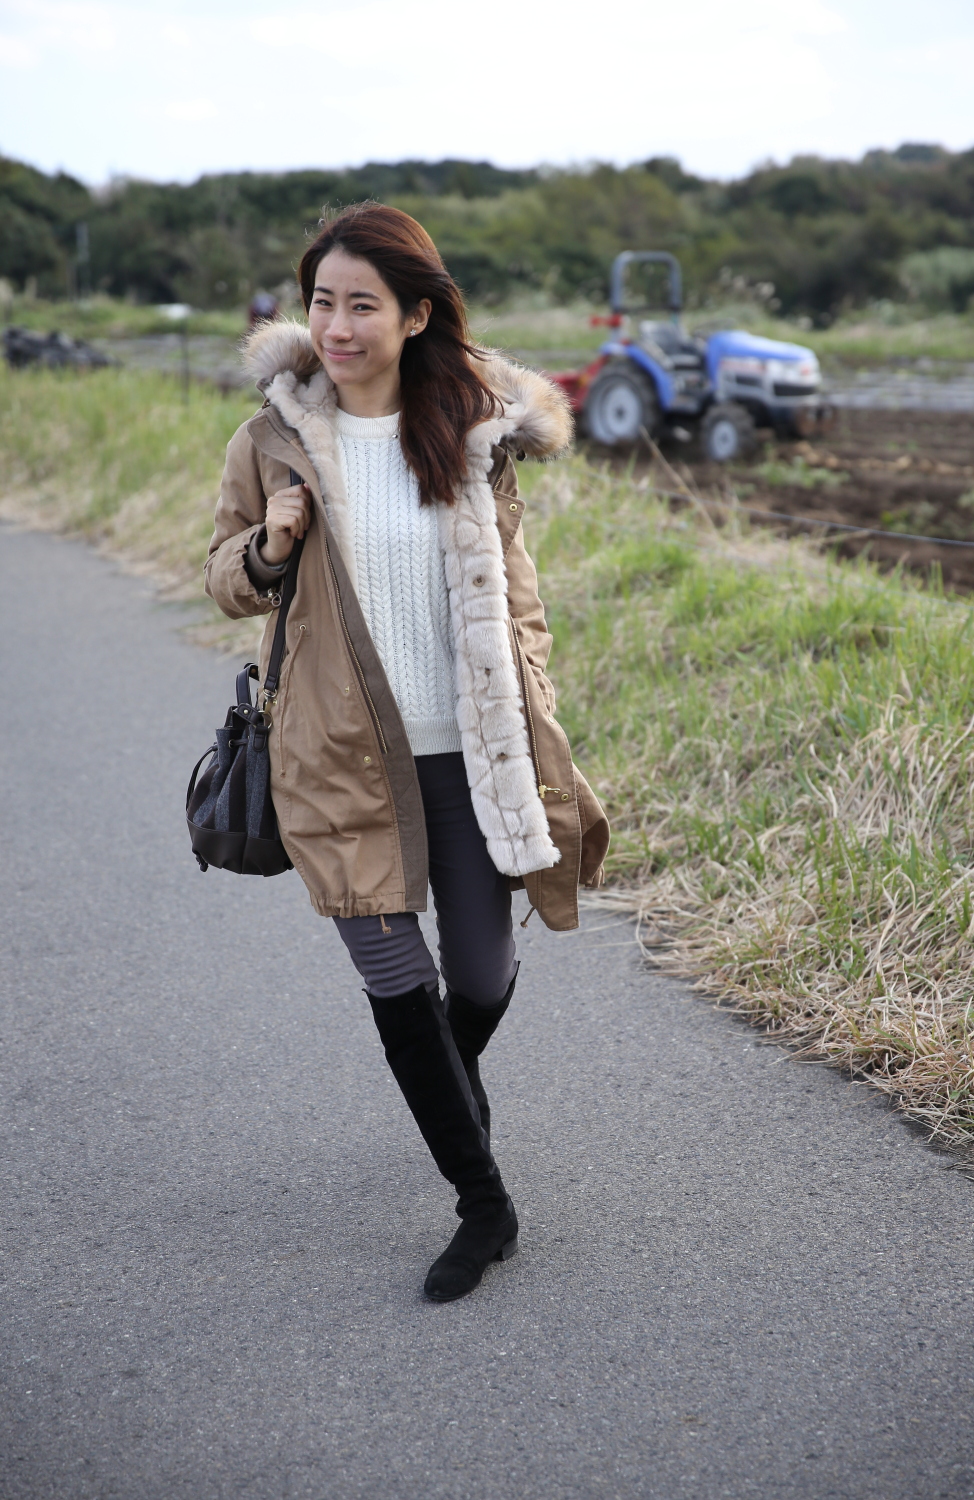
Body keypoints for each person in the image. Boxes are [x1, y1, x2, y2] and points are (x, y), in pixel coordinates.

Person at [204, 202, 609, 1302]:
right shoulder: (270, 439)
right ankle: (484, 1205)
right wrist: (270, 542)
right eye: (321, 302)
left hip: (468, 753)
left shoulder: (468, 436)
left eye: (362, 305)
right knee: (396, 978)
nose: (336, 326)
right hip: (335, 753)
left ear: (416, 315)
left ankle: (444, 1074)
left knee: (477, 976)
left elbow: (518, 601)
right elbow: (226, 578)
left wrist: (534, 702)